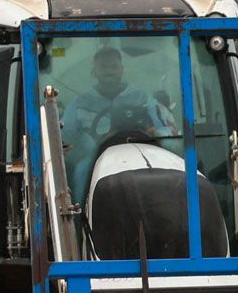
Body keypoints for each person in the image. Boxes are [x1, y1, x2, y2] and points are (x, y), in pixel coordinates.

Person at [62, 46, 171, 195]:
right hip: (97, 157)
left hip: (142, 152)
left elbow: (170, 131)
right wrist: (86, 143)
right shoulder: (79, 104)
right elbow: (63, 137)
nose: (109, 70)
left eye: (113, 66)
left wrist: (155, 133)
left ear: (122, 69)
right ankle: (80, 215)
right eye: (104, 66)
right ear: (94, 71)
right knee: (82, 169)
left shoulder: (143, 99)